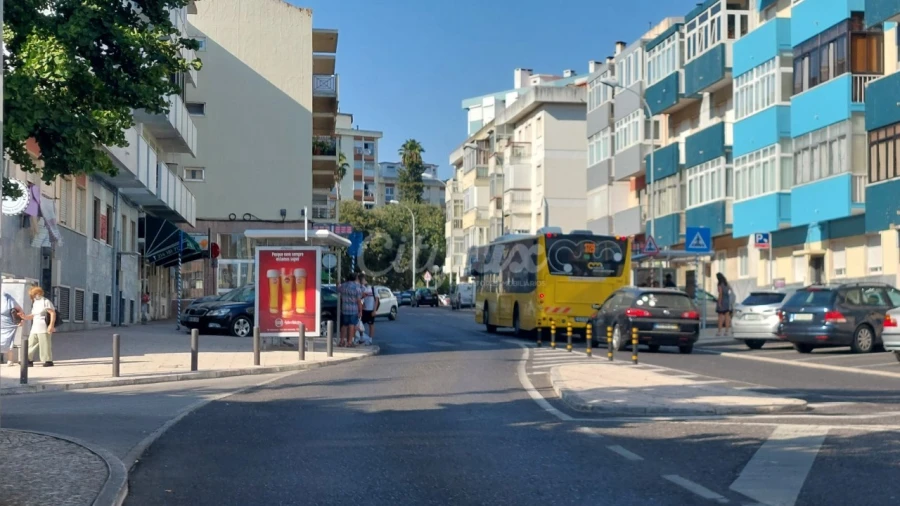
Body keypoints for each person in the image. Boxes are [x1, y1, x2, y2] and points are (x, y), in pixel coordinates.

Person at [19, 286, 56, 366]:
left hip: (43, 326)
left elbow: (52, 313)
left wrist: (51, 325)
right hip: (35, 326)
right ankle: (28, 359)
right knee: (31, 343)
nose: (34, 296)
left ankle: (48, 360)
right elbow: (33, 315)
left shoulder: (46, 301)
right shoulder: (35, 303)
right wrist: (25, 317)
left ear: (39, 293)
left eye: (35, 294)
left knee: (45, 344)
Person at [337, 273, 363, 347]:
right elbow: (359, 301)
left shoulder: (343, 286)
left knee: (344, 325)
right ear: (355, 278)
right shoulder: (357, 287)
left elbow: (338, 289)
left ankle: (341, 341)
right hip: (353, 309)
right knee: (352, 325)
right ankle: (349, 342)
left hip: (344, 308)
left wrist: (337, 284)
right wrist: (360, 311)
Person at [1, 292, 24, 366]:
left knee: (9, 341)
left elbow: (20, 310)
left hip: (9, 324)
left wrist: (21, 320)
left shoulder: (8, 299)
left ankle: (10, 360)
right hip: (2, 323)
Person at [359, 274, 379, 342]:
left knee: (371, 324)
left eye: (363, 280)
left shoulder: (373, 288)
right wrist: (362, 304)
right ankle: (361, 337)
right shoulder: (361, 288)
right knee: (360, 324)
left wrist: (374, 310)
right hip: (363, 310)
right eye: (362, 280)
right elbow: (359, 298)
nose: (362, 281)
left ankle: (370, 339)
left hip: (371, 309)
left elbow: (376, 300)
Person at [715, 272, 734, 336]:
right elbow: (731, 290)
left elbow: (720, 294)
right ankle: (726, 331)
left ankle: (719, 331)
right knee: (727, 317)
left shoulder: (719, 284)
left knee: (720, 317)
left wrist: (719, 303)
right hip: (727, 301)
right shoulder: (726, 283)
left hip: (722, 300)